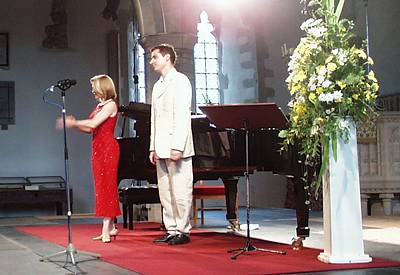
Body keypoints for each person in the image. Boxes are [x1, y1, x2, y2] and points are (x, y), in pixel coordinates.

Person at [56, 74, 121, 243]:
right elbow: (90, 130)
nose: (92, 90)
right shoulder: (100, 106)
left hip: (108, 150)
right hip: (98, 149)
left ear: (103, 87)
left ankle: (106, 227)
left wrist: (73, 122)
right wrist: (76, 125)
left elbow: (93, 124)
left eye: (94, 87)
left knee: (108, 187)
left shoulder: (110, 105)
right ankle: (112, 226)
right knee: (101, 187)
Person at [149, 44, 195, 245]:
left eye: (155, 57)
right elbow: (154, 119)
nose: (152, 61)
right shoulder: (158, 85)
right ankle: (171, 229)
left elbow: (183, 116)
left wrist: (177, 145)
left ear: (167, 57)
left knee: (180, 190)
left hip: (177, 146)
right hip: (160, 145)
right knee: (166, 191)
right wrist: (152, 146)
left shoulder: (180, 81)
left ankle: (183, 230)